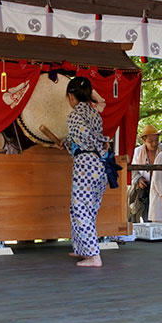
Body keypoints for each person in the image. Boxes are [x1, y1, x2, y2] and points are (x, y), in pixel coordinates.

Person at [62, 76, 108, 267]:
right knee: (88, 209)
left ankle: (93, 255)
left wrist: (67, 143)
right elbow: (85, 137)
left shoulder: (74, 116)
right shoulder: (95, 114)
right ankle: (83, 249)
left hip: (86, 164)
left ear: (71, 97)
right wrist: (66, 142)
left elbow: (84, 138)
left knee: (80, 208)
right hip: (99, 164)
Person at [129, 124, 160, 222]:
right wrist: (139, 179)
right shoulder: (137, 152)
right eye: (151, 141)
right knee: (145, 215)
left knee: (158, 215)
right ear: (143, 140)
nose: (154, 143)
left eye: (156, 140)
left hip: (160, 188)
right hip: (144, 188)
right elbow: (132, 169)